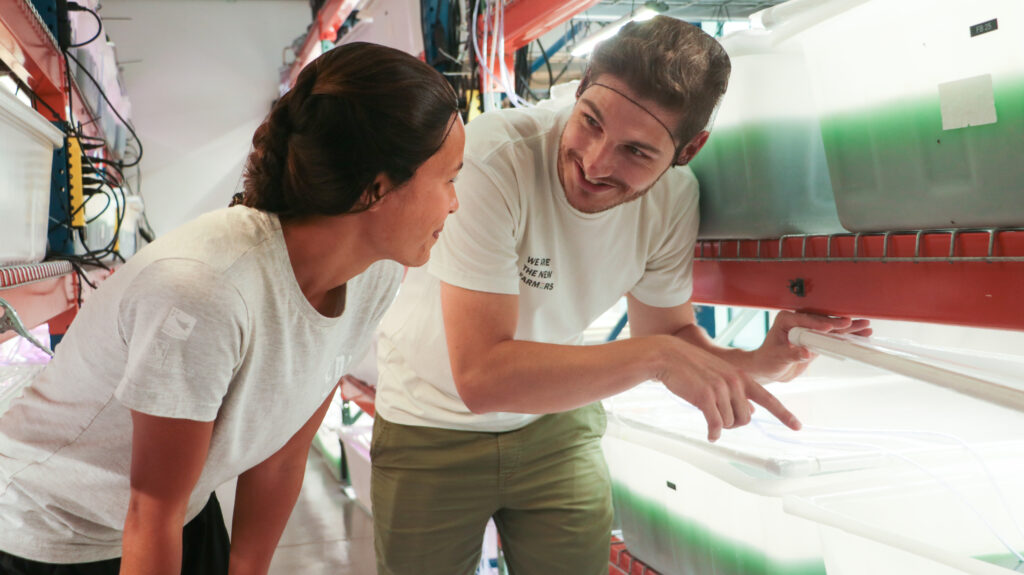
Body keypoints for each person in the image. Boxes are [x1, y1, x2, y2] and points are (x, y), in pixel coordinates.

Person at [371, 16, 871, 575]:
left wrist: (759, 362)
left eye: (637, 152)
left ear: (690, 149)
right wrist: (656, 359)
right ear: (581, 87)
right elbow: (482, 377)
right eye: (590, 122)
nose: (595, 162)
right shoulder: (493, 159)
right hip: (429, 424)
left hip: (556, 426)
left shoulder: (674, 200)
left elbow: (667, 337)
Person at [0, 41, 463, 574]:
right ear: (375, 190)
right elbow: (151, 511)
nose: (456, 201)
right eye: (449, 179)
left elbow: (283, 456)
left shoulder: (373, 275)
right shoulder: (205, 292)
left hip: (179, 511)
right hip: (49, 528)